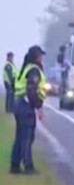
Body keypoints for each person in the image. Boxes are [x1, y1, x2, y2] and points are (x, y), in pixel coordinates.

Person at [9, 45, 47, 175]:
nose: (42, 58)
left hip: (18, 104)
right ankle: (27, 165)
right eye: (40, 56)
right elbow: (32, 90)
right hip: (26, 106)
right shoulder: (34, 70)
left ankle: (14, 165)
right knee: (27, 137)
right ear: (36, 57)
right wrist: (38, 107)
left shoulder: (25, 68)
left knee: (20, 136)